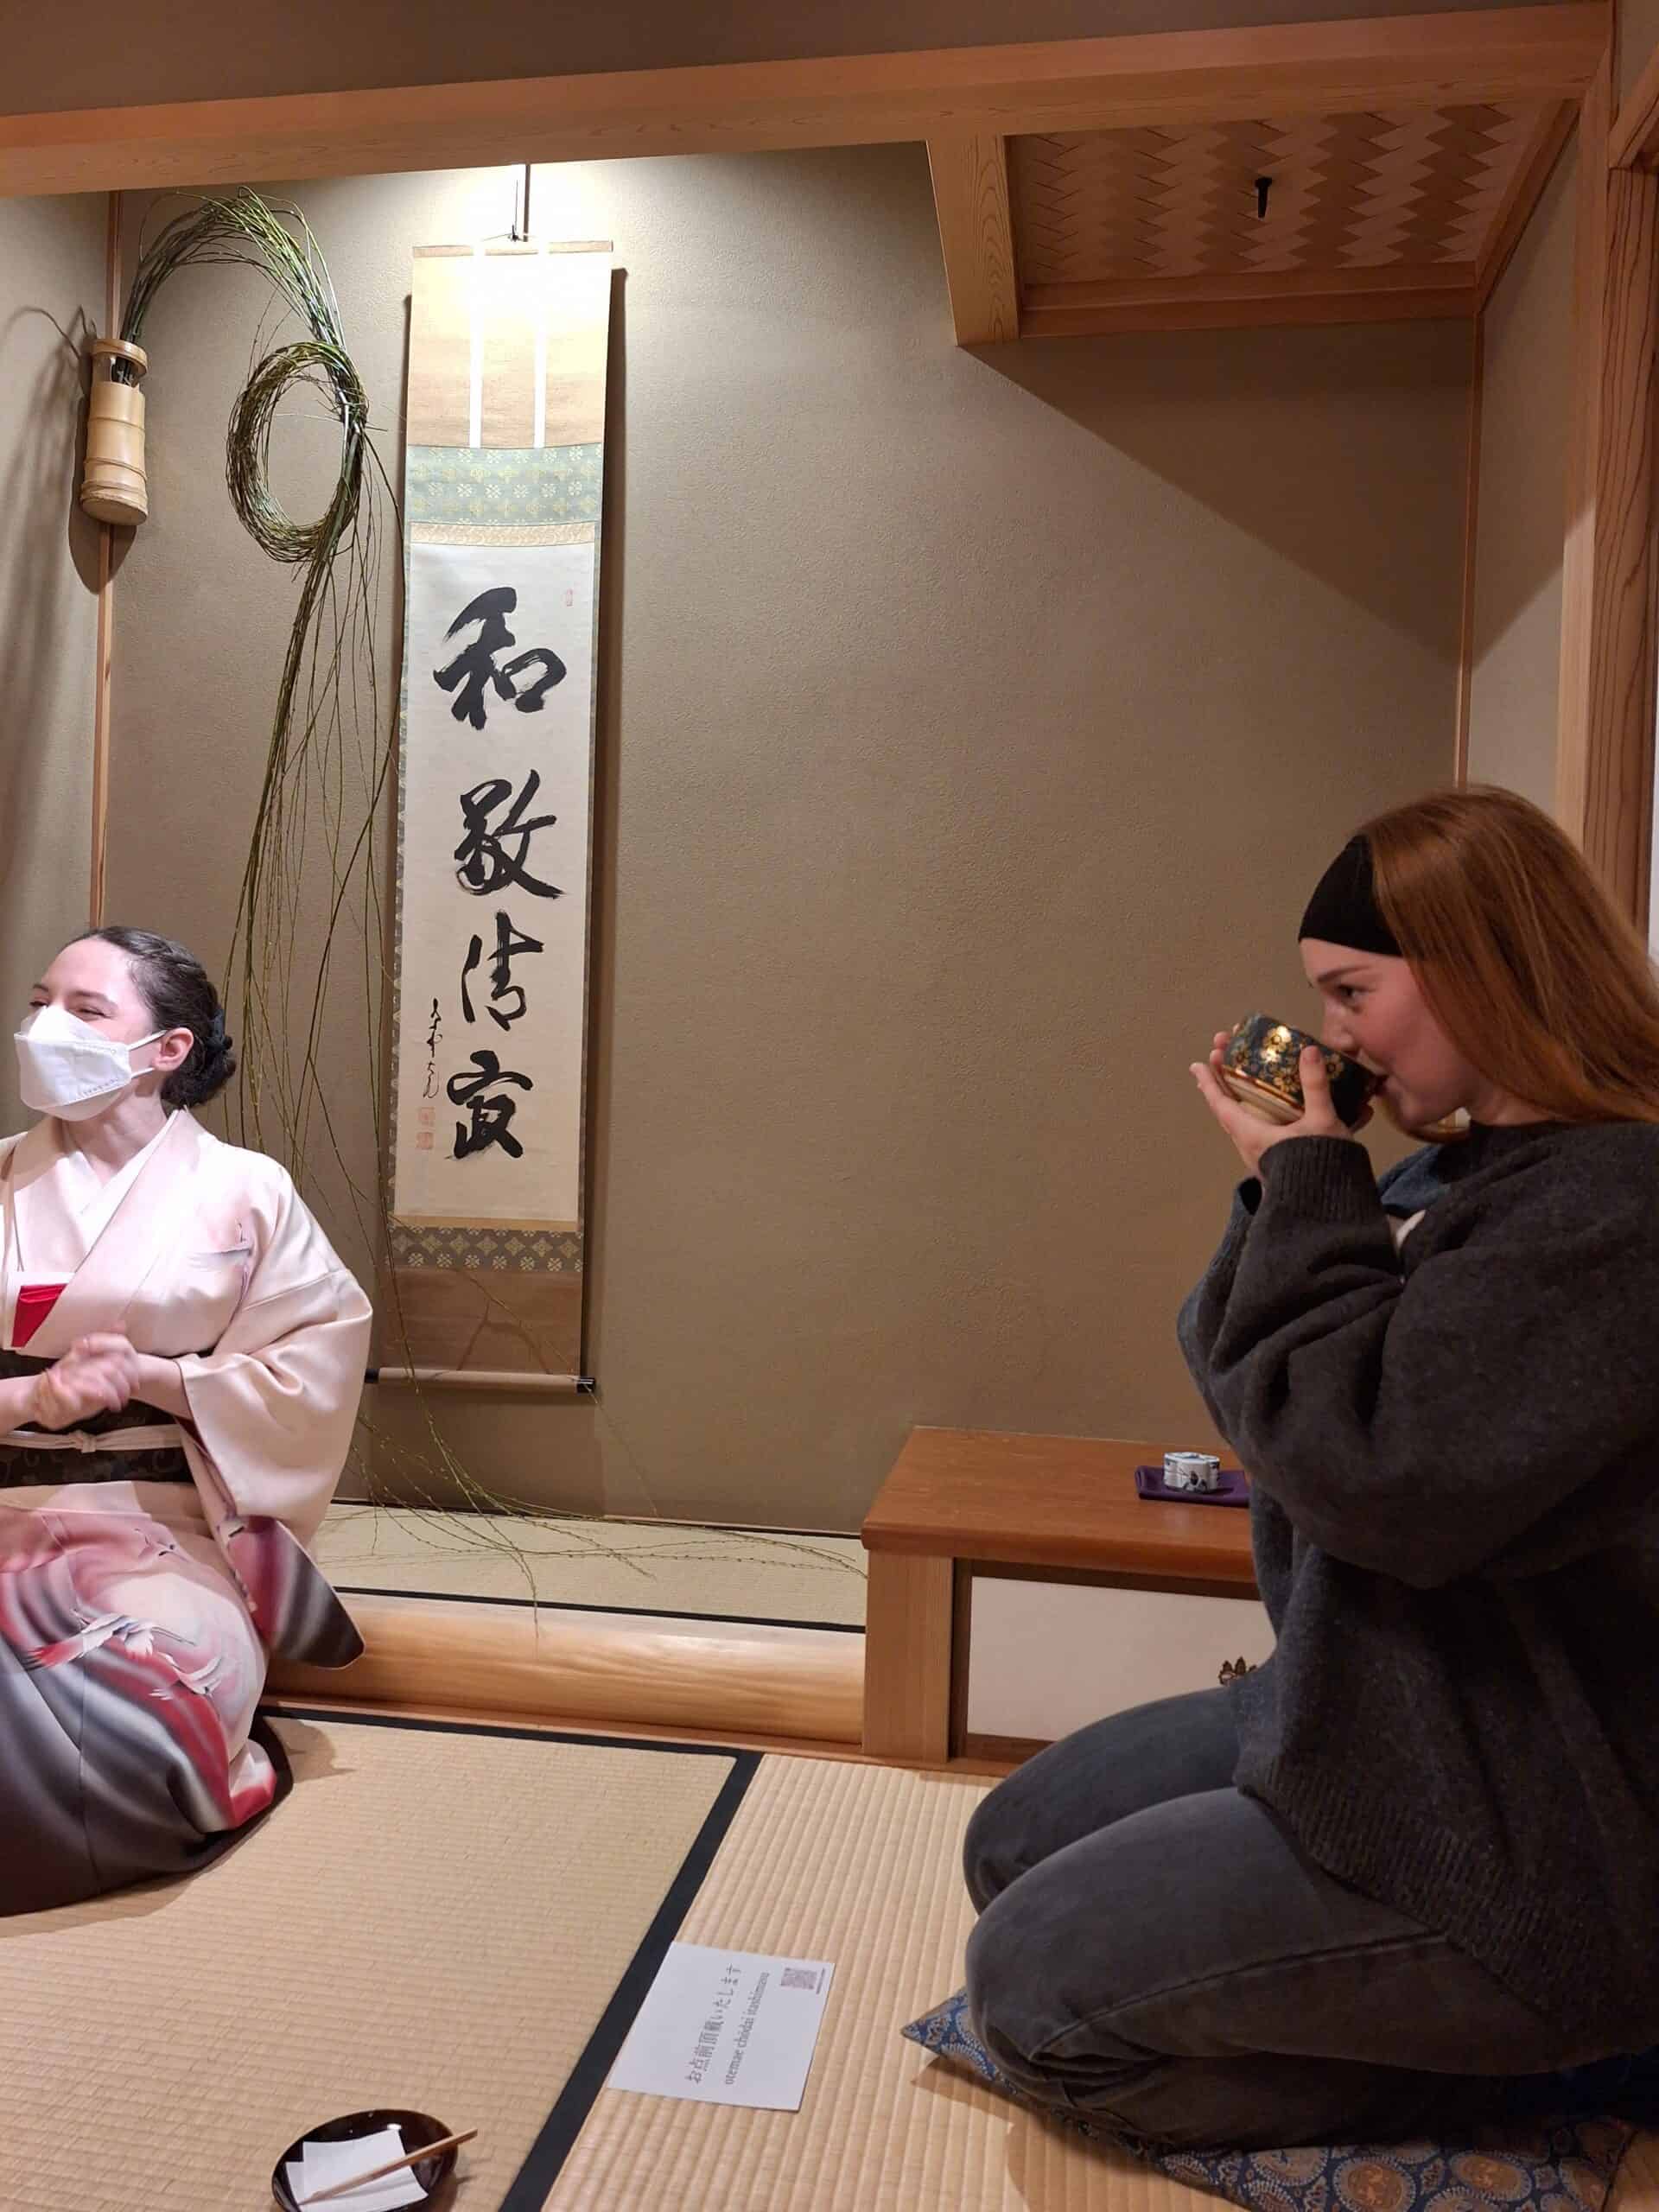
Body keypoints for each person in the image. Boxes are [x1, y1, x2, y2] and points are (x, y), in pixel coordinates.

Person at [962, 785, 1659, 2150]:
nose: (1335, 1037)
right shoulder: (1456, 1175)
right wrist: (1295, 1177)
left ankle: (1560, 2071)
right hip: (1378, 1702)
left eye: (1353, 993)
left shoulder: (1615, 1210)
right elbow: (1243, 1370)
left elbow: (1370, 1477)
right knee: (1012, 1846)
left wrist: (1314, 1177)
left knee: (1032, 1998)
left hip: (1535, 1814)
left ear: (1480, 966)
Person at [0, 925, 371, 1914]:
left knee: (128, 1699)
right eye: (39, 1003)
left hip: (157, 1528)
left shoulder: (246, 1189)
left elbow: (311, 1365)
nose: (44, 1028)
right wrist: (31, 1397)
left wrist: (163, 1379)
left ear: (167, 1048)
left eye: (84, 1010)